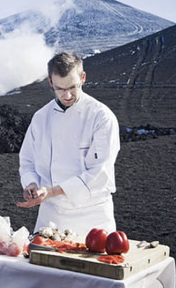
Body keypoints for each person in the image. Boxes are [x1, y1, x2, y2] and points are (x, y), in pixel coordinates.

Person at [16, 51, 120, 238]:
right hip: (51, 217)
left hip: (92, 218)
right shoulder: (41, 118)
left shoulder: (101, 117)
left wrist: (53, 191)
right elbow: (27, 160)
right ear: (50, 82)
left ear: (83, 77)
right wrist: (31, 184)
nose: (68, 95)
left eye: (73, 87)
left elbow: (100, 172)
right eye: (60, 89)